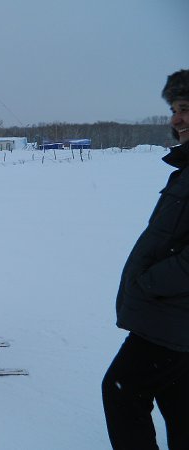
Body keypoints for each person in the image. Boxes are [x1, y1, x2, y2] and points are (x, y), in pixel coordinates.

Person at [102, 69, 189, 450]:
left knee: (122, 389)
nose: (177, 119)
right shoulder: (185, 170)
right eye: (174, 109)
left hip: (172, 315)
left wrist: (150, 282)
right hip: (172, 316)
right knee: (178, 398)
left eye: (186, 108)